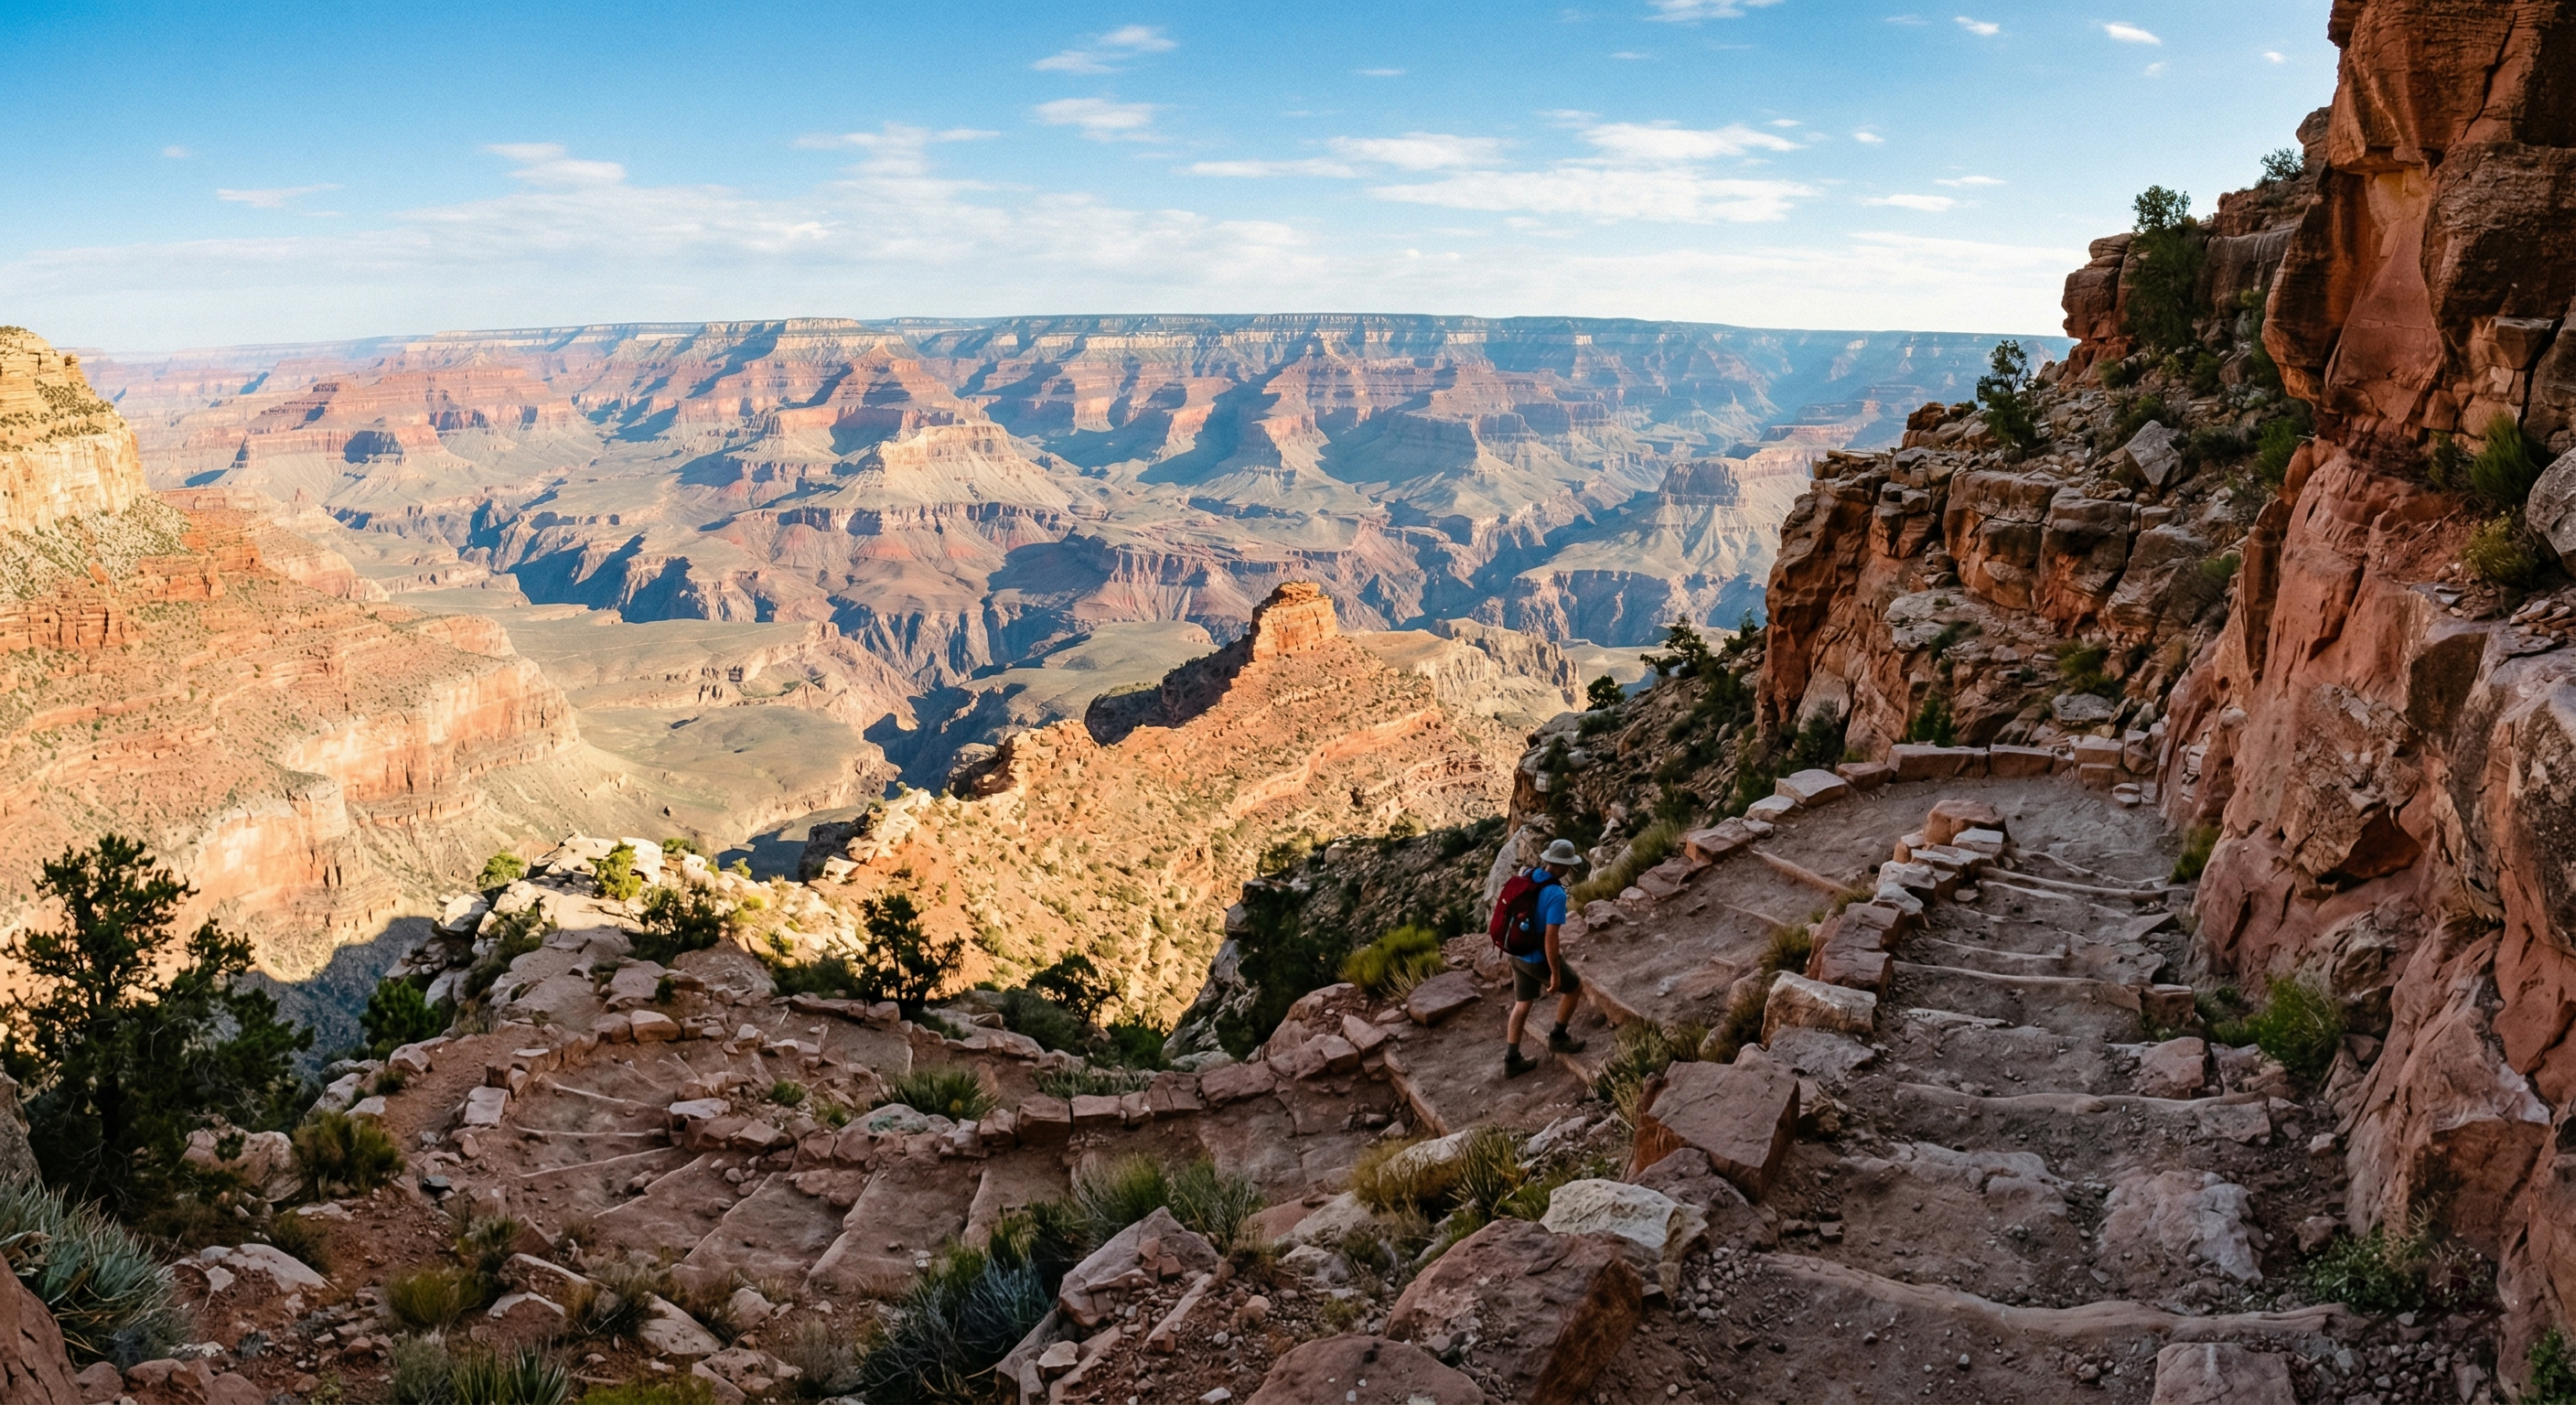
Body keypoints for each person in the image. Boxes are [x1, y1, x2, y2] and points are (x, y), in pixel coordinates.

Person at [1501, 837, 1588, 1078]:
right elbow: (1551, 937)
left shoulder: (1528, 875)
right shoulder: (1556, 895)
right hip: (1537, 958)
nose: (1569, 869)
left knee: (1522, 1004)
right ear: (1560, 867)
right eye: (1568, 865)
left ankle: (1512, 1059)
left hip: (1516, 951)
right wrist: (1556, 973)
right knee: (1574, 988)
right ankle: (1558, 1037)